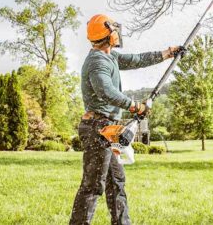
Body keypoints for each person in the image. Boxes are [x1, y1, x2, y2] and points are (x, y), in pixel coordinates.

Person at [70, 14, 182, 225]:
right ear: (107, 35)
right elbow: (105, 91)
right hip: (97, 128)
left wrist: (167, 53)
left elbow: (136, 60)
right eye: (114, 29)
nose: (118, 33)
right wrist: (134, 106)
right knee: (93, 186)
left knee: (116, 182)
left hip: (108, 127)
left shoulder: (110, 57)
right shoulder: (96, 61)